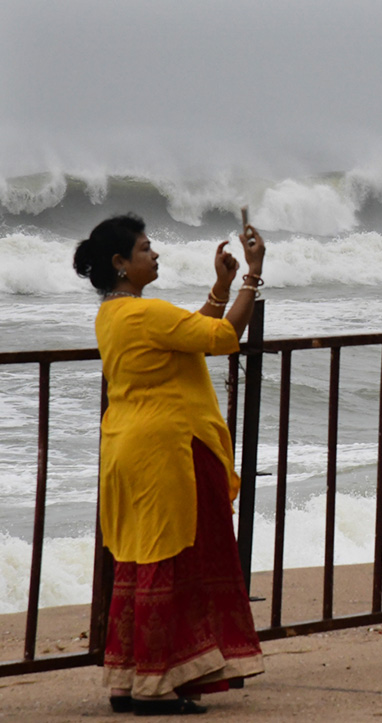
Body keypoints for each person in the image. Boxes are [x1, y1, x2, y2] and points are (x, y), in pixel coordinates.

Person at [73, 214, 267, 715]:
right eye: (144, 249)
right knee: (167, 560)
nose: (153, 255)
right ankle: (155, 686)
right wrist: (251, 274)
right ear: (120, 263)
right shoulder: (146, 313)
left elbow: (192, 334)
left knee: (139, 561)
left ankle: (125, 679)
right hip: (163, 448)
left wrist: (219, 286)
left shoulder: (116, 315)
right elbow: (223, 337)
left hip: (125, 445)